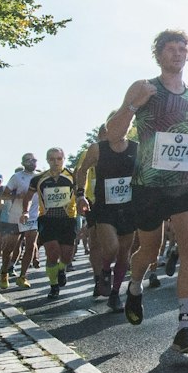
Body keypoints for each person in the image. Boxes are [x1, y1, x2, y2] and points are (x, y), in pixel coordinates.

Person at [107, 29, 188, 354]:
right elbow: (114, 134)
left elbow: (184, 135)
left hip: (184, 181)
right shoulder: (144, 87)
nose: (177, 53)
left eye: (183, 48)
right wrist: (134, 106)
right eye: (171, 49)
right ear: (159, 55)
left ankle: (185, 326)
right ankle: (134, 286)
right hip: (149, 182)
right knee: (150, 249)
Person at [73, 125, 139, 310]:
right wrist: (80, 195)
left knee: (124, 253)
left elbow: (144, 173)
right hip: (104, 206)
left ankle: (116, 293)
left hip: (128, 206)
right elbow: (82, 170)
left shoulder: (136, 148)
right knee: (111, 247)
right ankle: (104, 271)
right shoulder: (97, 149)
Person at [29, 148, 81, 298]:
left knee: (66, 256)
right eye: (52, 159)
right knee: (52, 253)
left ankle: (61, 269)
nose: (56, 162)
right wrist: (26, 211)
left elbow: (79, 193)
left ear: (63, 159)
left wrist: (81, 202)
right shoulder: (38, 179)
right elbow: (27, 197)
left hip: (68, 219)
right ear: (47, 160)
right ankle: (53, 286)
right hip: (47, 219)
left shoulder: (73, 176)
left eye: (59, 158)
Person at [0, 154, 40, 290]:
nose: (32, 162)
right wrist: (17, 196)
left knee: (30, 245)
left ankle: (23, 276)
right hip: (16, 216)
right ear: (23, 162)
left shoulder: (40, 176)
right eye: (29, 160)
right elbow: (3, 195)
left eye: (34, 160)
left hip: (33, 215)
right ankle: (4, 273)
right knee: (10, 247)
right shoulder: (17, 177)